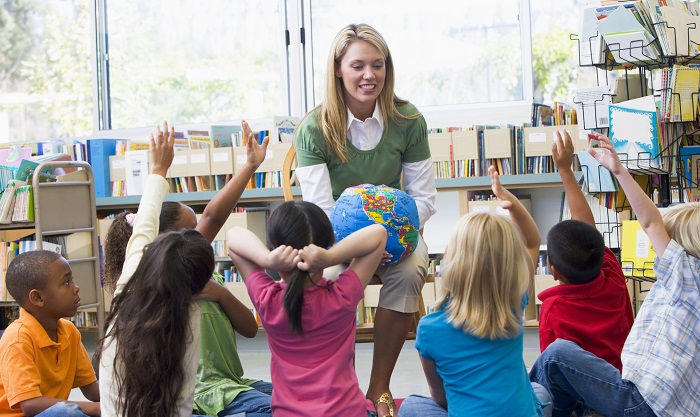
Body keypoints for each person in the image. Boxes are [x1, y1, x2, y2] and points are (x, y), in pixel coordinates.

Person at [294, 23, 436, 416]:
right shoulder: (314, 128)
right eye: (357, 65)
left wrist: (395, 238)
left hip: (399, 234)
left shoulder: (408, 121)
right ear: (338, 69)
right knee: (326, 276)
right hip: (336, 239)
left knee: (410, 272)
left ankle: (379, 387)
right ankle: (341, 387)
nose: (369, 75)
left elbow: (424, 198)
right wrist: (361, 249)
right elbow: (319, 211)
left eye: (378, 65)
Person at [101, 121, 273, 417]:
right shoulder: (151, 283)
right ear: (161, 242)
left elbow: (214, 214)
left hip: (230, 385)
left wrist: (250, 165)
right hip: (205, 395)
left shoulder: (185, 260)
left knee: (309, 396)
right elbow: (147, 229)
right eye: (189, 231)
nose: (201, 234)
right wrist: (157, 172)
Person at [530, 133, 700, 417]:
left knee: (553, 360)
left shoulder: (685, 276)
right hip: (665, 405)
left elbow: (649, 221)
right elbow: (588, 230)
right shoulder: (611, 274)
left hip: (640, 404)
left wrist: (619, 171)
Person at [398, 166, 551, 417]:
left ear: (450, 258)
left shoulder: (429, 328)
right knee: (538, 391)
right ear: (511, 264)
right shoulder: (513, 303)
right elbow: (533, 241)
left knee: (412, 405)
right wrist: (508, 201)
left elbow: (441, 398)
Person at [227, 201, 387, 417]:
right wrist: (331, 257)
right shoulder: (342, 296)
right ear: (326, 245)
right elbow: (378, 234)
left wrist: (267, 259)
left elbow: (233, 236)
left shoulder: (268, 300)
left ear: (276, 248)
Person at [538, 130, 633, 372]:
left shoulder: (554, 310)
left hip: (587, 399)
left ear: (553, 270)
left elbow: (553, 370)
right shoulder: (612, 276)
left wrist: (563, 168)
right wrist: (566, 170)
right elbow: (586, 226)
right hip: (626, 379)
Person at [0, 250, 100, 417]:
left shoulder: (69, 332)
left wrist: (124, 401)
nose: (76, 288)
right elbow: (31, 405)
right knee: (67, 413)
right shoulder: (17, 339)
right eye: (66, 282)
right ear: (38, 298)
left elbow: (90, 388)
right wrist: (97, 409)